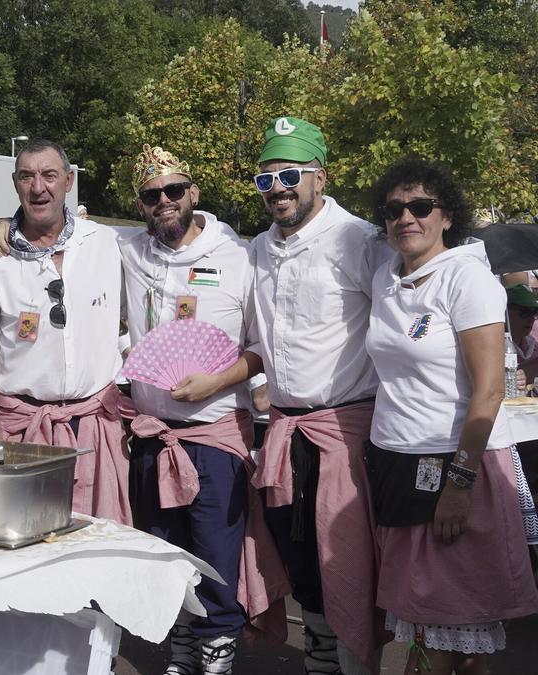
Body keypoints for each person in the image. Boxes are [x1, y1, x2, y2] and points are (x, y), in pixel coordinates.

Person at [363, 157, 538, 675]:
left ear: (446, 216)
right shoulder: (384, 278)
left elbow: (488, 392)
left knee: (451, 634)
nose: (405, 218)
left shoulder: (467, 278)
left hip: (457, 465)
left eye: (420, 206)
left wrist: (459, 485)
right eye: (394, 209)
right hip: (396, 461)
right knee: (421, 625)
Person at [119, 145, 289, 675]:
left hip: (214, 433)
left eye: (174, 190)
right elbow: (58, 232)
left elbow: (262, 346)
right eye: (151, 195)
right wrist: (7, 224)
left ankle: (218, 646)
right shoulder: (128, 250)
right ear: (140, 205)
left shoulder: (238, 255)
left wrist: (217, 379)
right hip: (153, 435)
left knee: (216, 550)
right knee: (164, 549)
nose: (164, 202)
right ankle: (182, 643)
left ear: (193, 192)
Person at [244, 117, 389, 674]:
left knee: (349, 567)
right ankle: (322, 660)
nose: (277, 188)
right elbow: (255, 332)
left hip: (347, 434)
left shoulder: (360, 240)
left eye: (289, 175)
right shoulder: (256, 249)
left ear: (319, 178)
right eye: (265, 180)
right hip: (284, 433)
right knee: (302, 561)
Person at [0, 139, 129, 524]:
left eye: (49, 175)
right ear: (15, 184)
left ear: (68, 181)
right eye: (27, 177)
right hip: (22, 434)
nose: (38, 187)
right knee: (27, 549)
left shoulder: (107, 243)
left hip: (94, 432)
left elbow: (172, 234)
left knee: (97, 546)